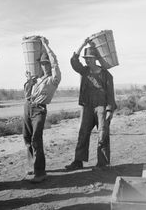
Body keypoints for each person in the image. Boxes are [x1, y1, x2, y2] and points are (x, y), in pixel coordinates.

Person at [65, 38, 116, 171]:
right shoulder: (84, 71)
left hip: (102, 108)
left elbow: (110, 94)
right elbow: (73, 61)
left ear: (96, 59)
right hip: (87, 107)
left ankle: (103, 163)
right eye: (86, 58)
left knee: (102, 134)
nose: (88, 61)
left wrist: (110, 110)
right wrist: (82, 44)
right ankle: (78, 161)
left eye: (90, 58)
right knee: (83, 133)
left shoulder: (106, 75)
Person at [22, 37, 61, 183]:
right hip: (28, 107)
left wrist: (45, 45)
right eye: (43, 63)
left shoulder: (54, 79)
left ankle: (40, 172)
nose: (45, 66)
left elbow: (55, 61)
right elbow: (26, 95)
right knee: (27, 137)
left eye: (47, 64)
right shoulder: (37, 79)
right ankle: (33, 166)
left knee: (36, 140)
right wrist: (29, 82)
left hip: (39, 110)